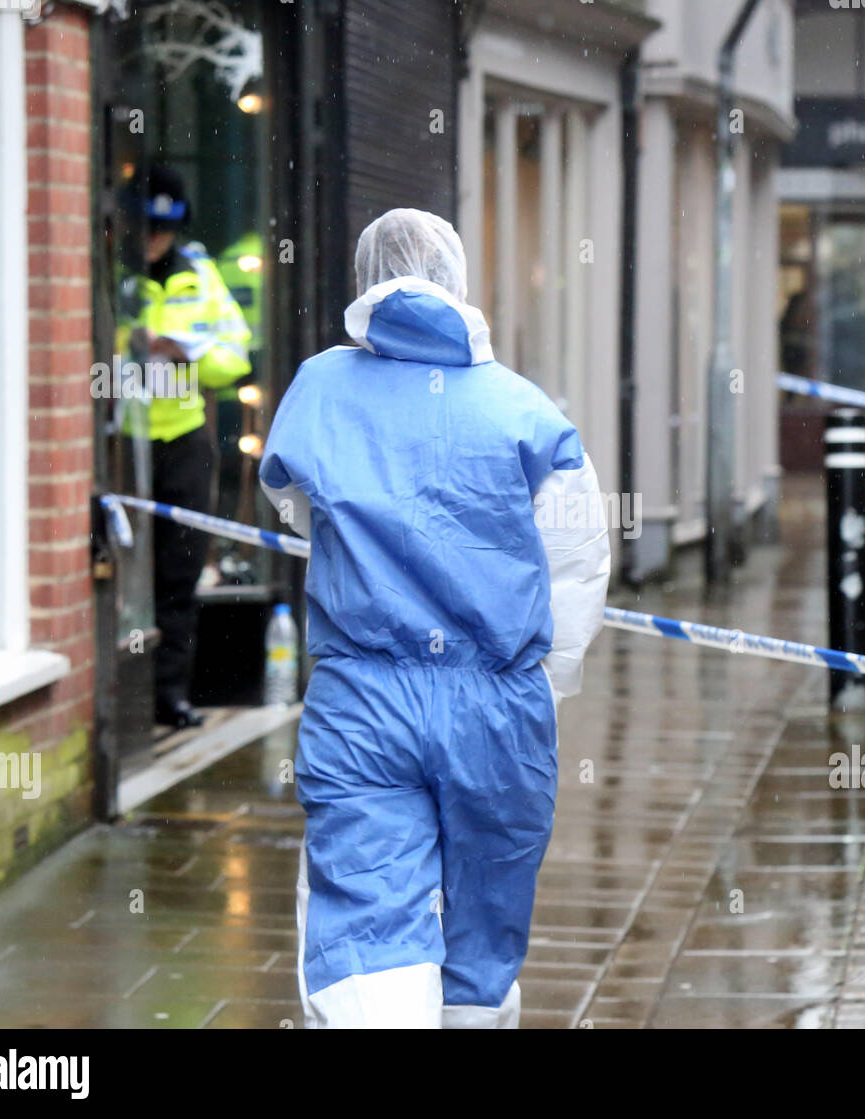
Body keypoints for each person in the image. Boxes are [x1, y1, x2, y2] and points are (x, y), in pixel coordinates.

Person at [259, 208, 611, 1028]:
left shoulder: (318, 389)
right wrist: (544, 682)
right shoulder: (527, 414)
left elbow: (293, 507)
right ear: (457, 282)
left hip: (363, 700)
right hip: (498, 708)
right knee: (485, 928)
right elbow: (577, 566)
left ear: (363, 280)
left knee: (368, 913)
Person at [117, 165, 252, 727]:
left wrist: (189, 354)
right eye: (146, 228)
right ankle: (121, 699)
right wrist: (130, 346)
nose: (154, 240)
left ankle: (169, 697)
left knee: (180, 571)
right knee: (120, 571)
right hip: (124, 441)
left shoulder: (199, 276)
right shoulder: (116, 278)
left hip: (185, 438)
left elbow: (238, 354)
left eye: (163, 231)